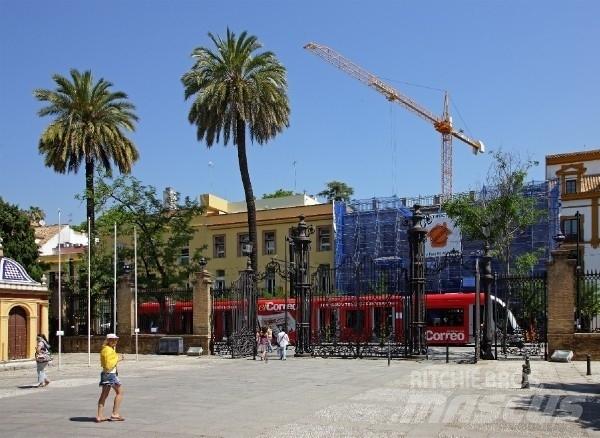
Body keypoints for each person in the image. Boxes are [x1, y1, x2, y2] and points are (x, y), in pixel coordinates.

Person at [96, 333, 125, 423]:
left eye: (115, 340)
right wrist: (118, 359)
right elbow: (109, 364)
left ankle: (100, 416)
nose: (115, 341)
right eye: (112, 340)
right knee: (120, 392)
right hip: (110, 374)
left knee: (104, 394)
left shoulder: (105, 349)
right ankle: (115, 414)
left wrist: (116, 359)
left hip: (106, 374)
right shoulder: (108, 350)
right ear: (108, 340)